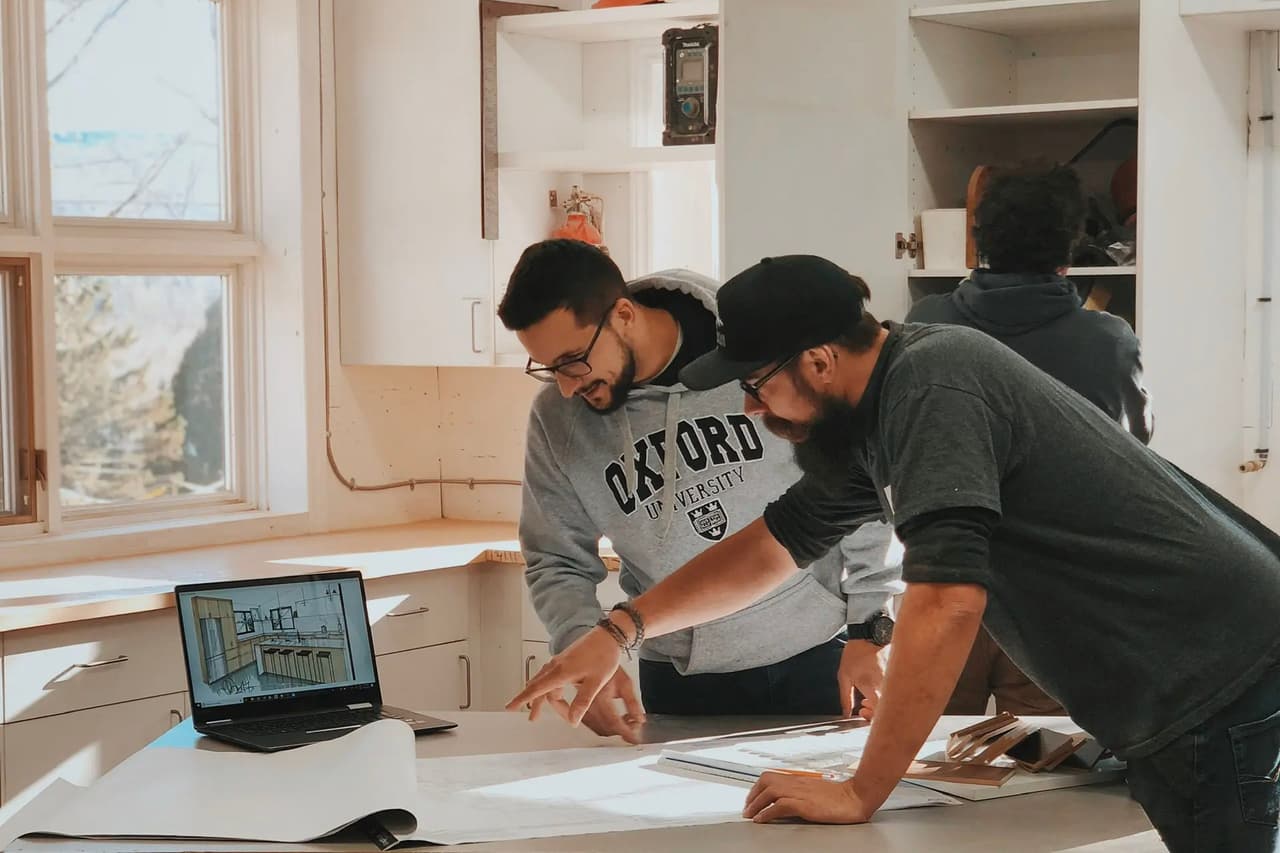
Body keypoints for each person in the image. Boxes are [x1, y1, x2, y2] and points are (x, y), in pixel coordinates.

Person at [510, 254, 1280, 853]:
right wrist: (619, 631)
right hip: (1186, 680)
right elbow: (774, 546)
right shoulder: (875, 412)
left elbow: (947, 601)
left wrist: (861, 789)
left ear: (815, 362)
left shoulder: (934, 386)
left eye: (754, 385)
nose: (749, 406)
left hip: (1219, 673)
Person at [496, 240, 901, 743]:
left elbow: (856, 496)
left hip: (818, 657)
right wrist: (585, 646)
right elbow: (556, 560)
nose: (565, 386)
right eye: (547, 368)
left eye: (572, 361)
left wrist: (870, 627)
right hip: (678, 674)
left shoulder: (758, 357)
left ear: (623, 314)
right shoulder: (557, 420)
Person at [907, 163, 1153, 717]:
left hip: (944, 581)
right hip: (1059, 600)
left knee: (925, 776)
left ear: (979, 240)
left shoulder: (926, 322)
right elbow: (1132, 456)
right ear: (1071, 246)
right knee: (1052, 779)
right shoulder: (1107, 340)